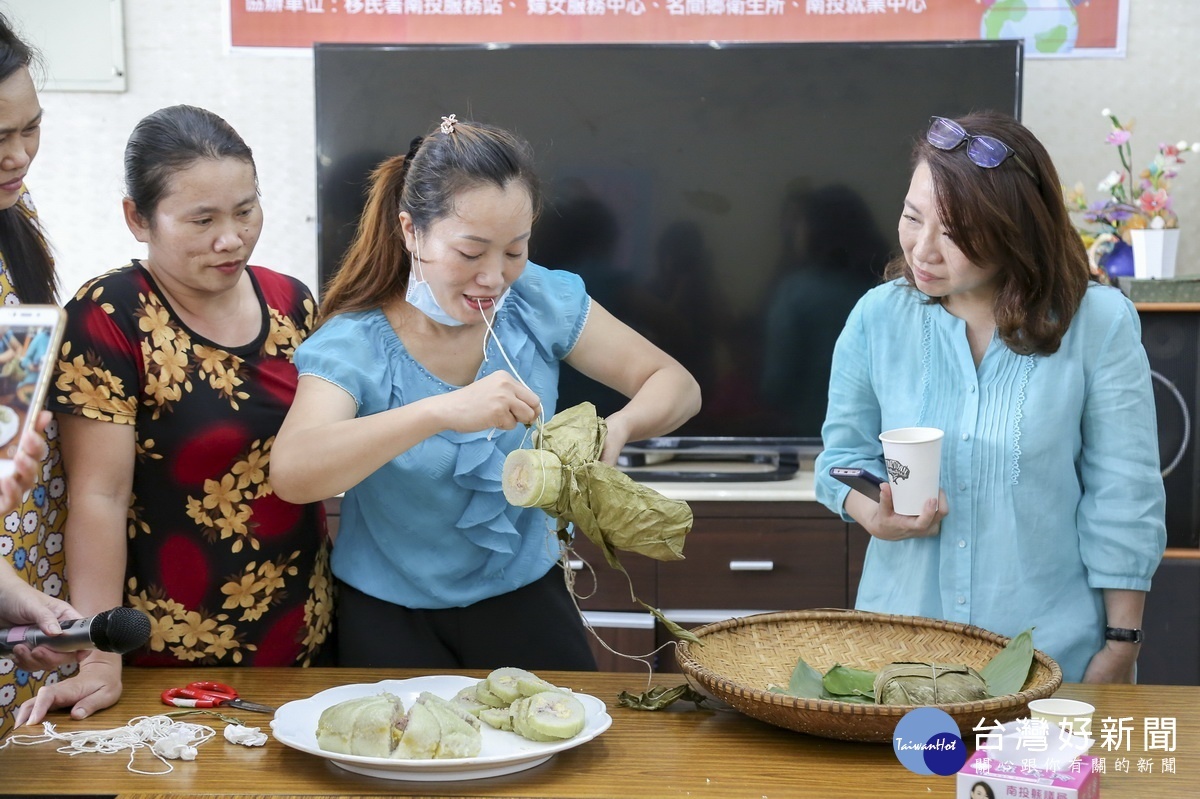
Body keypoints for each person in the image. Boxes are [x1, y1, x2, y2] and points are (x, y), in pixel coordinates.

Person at [269, 115, 701, 670]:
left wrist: (616, 429)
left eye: (514, 251)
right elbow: (293, 473)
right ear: (411, 231)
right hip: (386, 614)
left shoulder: (538, 301)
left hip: (526, 597)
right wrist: (441, 411)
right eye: (470, 253)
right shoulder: (355, 343)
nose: (495, 278)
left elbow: (677, 385)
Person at [814, 112, 1166, 684]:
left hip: (1049, 656)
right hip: (902, 654)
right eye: (912, 216)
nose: (923, 249)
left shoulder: (1097, 324)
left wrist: (1121, 645)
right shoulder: (877, 317)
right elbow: (839, 461)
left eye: (956, 234)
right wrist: (875, 516)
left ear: (1016, 232)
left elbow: (1124, 495)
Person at [17, 105, 334, 727]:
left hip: (306, 628)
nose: (232, 238)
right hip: (168, 649)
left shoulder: (292, 302)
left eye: (246, 211)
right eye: (202, 219)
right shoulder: (110, 316)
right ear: (138, 218)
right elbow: (99, 496)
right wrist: (99, 656)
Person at [0, 12, 75, 738]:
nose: (20, 156)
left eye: (32, 127)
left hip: (21, 562)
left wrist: (14, 592)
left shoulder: (17, 225)